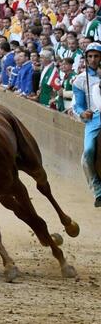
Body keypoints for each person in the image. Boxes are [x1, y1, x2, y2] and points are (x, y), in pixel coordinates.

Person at [72, 42, 101, 207]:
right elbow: (78, 105)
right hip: (94, 119)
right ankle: (97, 189)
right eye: (90, 56)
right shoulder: (80, 80)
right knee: (88, 151)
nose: (93, 59)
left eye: (96, 56)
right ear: (86, 58)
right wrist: (83, 113)